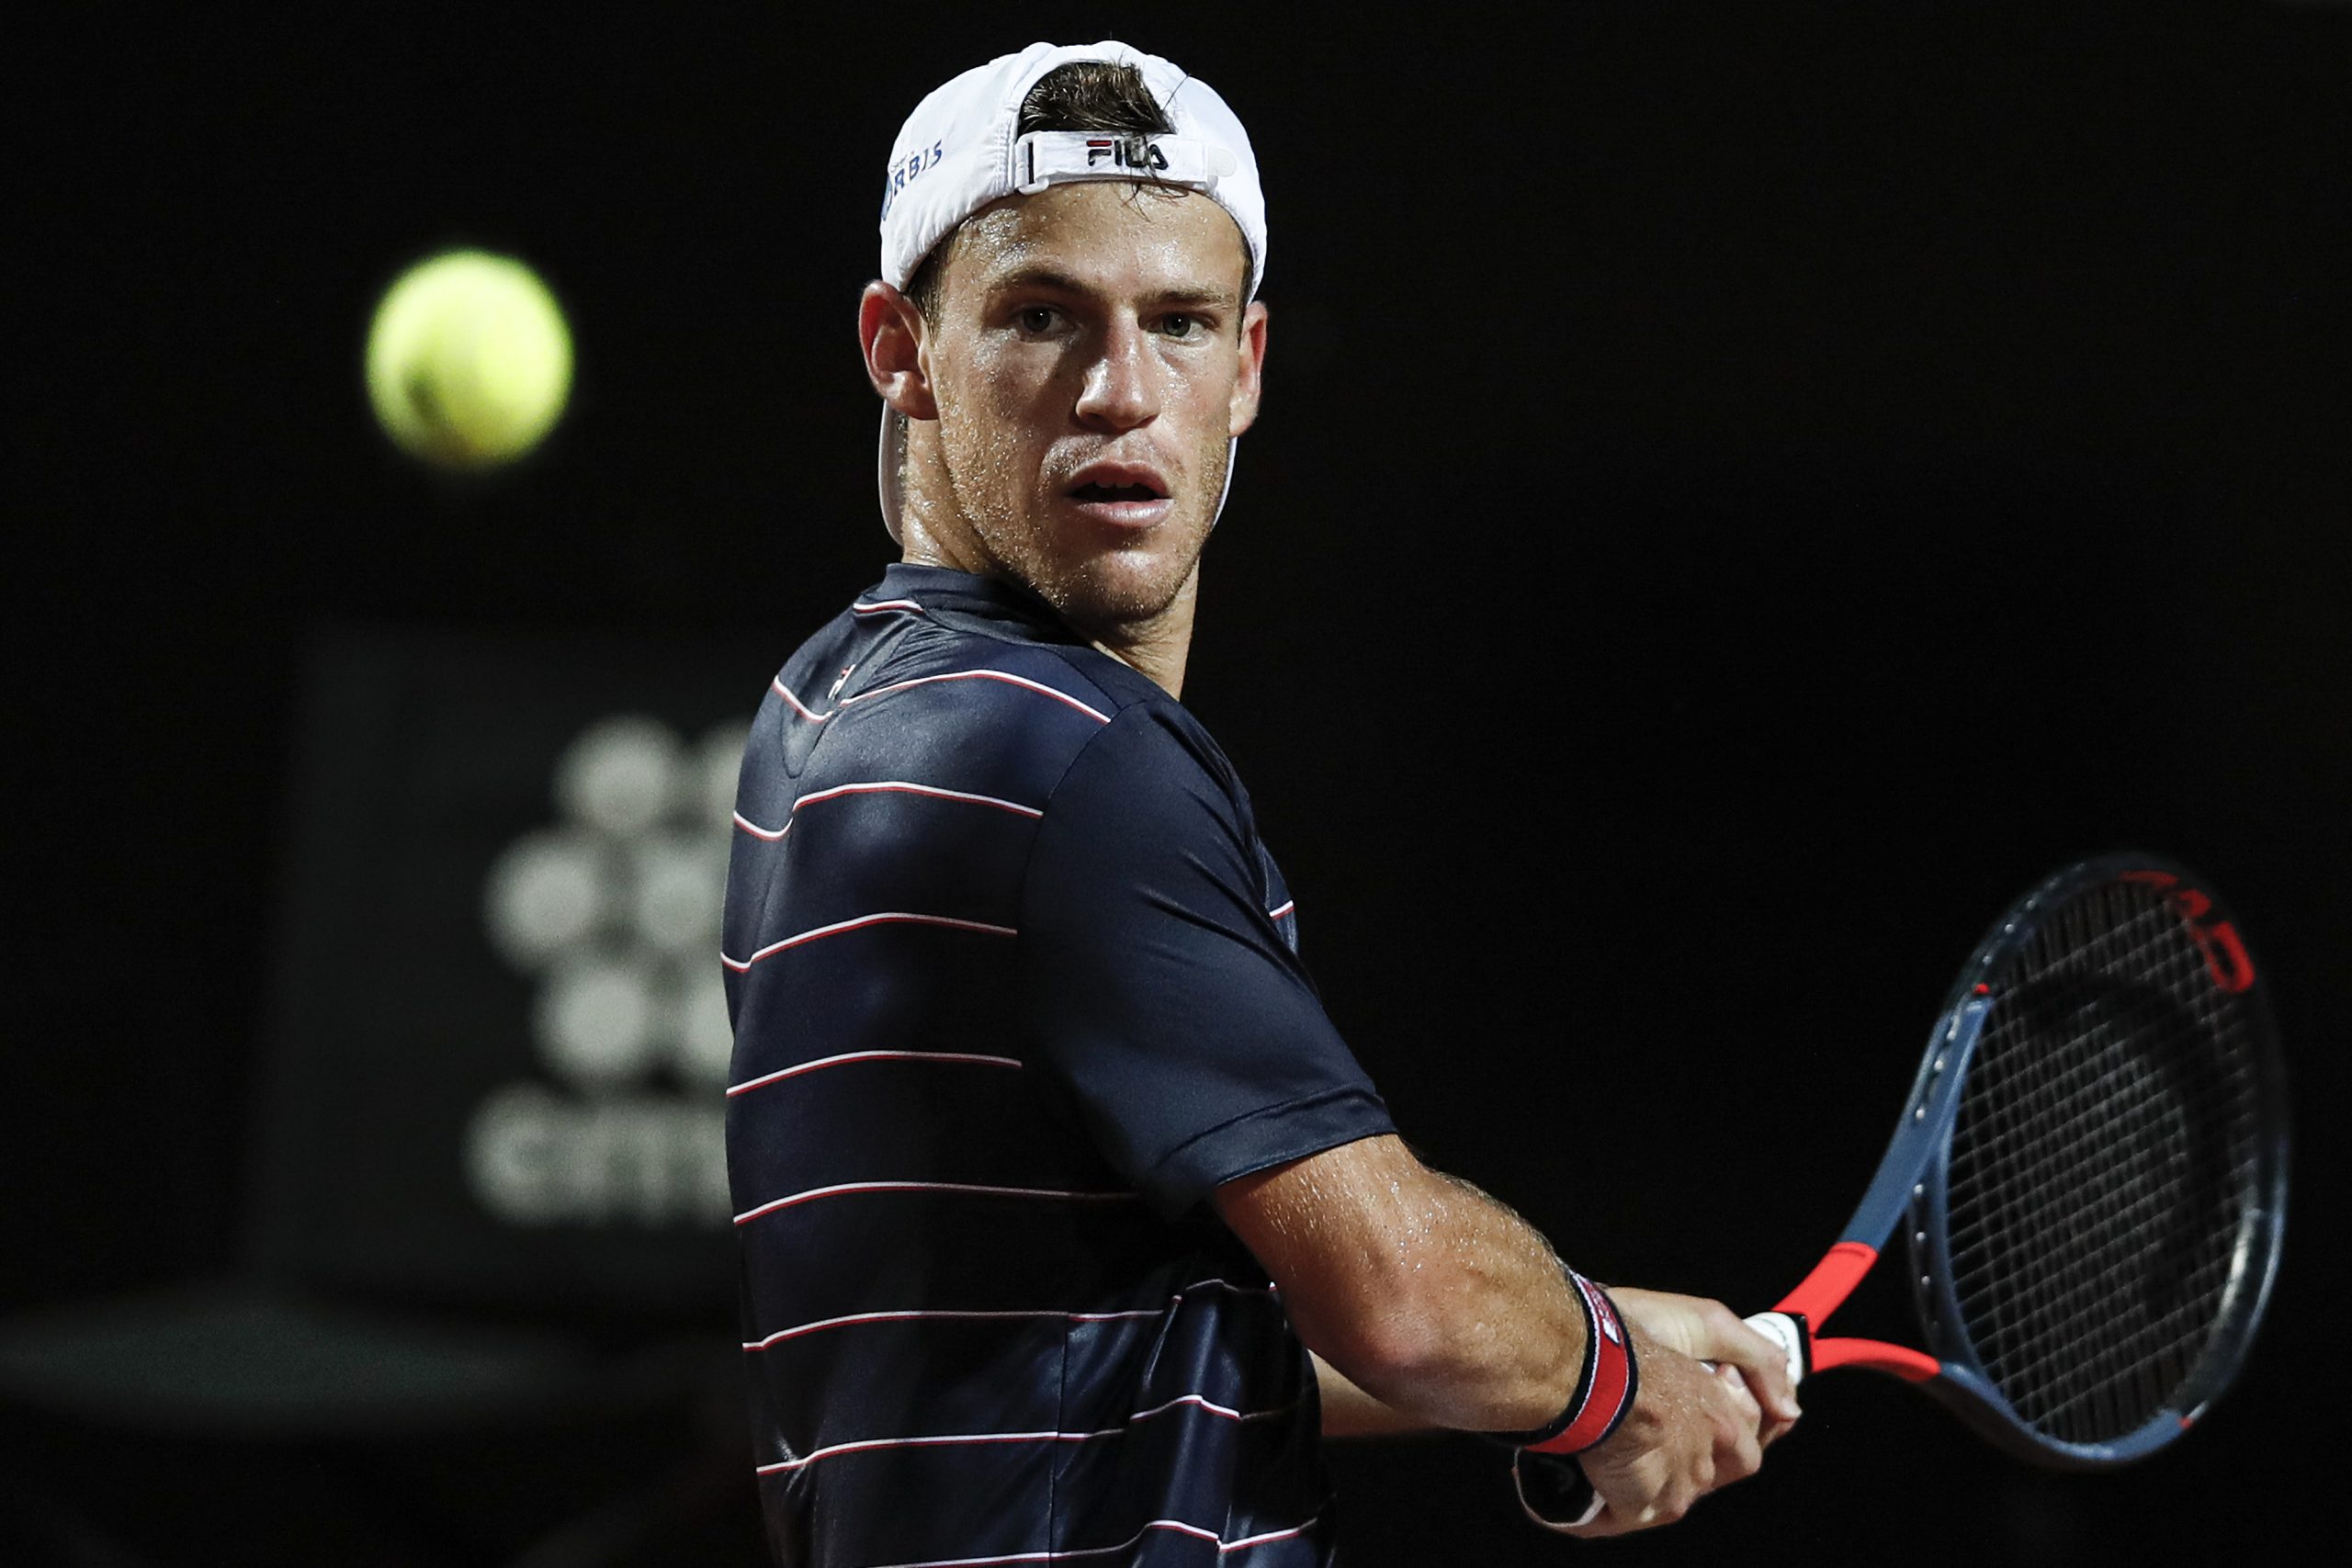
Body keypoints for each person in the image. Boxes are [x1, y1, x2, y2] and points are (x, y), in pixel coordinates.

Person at [721, 39, 1801, 1567]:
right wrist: (1606, 1387)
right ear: (901, 348)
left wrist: (1589, 1333)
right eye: (1041, 318)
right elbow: (1407, 1298)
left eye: (1179, 323)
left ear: (1248, 369)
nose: (1120, 391)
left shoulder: (823, 709)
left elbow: (1104, 1344)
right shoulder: (1058, 760)